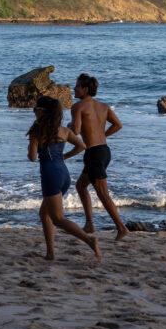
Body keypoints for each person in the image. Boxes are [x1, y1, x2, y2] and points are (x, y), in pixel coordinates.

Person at [27, 95, 101, 261]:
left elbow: (32, 157)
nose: (34, 113)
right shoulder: (63, 130)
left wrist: (32, 142)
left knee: (58, 219)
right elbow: (81, 145)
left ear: (41, 111)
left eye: (35, 109)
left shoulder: (37, 130)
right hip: (63, 174)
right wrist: (64, 156)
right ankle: (50, 253)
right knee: (44, 214)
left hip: (50, 175)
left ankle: (89, 240)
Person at [71, 73, 128, 241]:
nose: (74, 88)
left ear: (85, 89)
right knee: (81, 186)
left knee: (103, 194)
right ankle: (89, 224)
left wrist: (69, 126)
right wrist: (101, 134)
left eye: (77, 86)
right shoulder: (104, 106)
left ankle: (121, 227)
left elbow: (75, 131)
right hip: (104, 150)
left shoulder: (78, 106)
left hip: (93, 154)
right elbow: (118, 125)